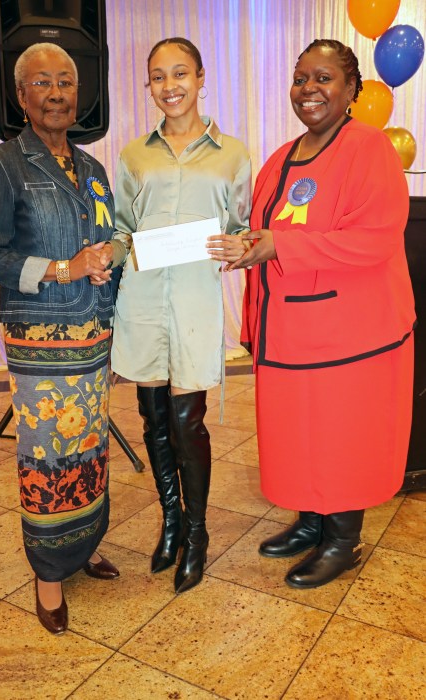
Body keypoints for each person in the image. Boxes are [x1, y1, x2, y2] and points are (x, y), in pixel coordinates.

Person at [210, 39, 415, 589]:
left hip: (348, 333)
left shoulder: (369, 149)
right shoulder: (280, 158)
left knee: (340, 434)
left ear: (351, 90)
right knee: (299, 433)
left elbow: (373, 240)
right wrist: (248, 255)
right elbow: (267, 235)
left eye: (324, 78)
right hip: (288, 332)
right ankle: (310, 521)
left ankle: (343, 540)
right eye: (302, 78)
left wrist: (277, 246)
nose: (309, 90)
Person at [0, 43, 126, 634]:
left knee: (89, 448)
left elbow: (107, 240)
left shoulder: (92, 170)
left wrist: (112, 257)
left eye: (67, 81)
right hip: (40, 339)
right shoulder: (3, 164)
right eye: (43, 82)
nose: (58, 92)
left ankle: (81, 549)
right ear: (21, 96)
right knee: (47, 454)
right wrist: (63, 267)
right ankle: (48, 573)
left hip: (93, 333)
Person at [111, 37, 251, 594]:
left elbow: (241, 227)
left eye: (180, 74)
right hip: (143, 304)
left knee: (188, 422)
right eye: (157, 77)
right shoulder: (132, 156)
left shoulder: (233, 154)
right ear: (148, 85)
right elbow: (122, 229)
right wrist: (108, 255)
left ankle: (197, 534)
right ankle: (169, 521)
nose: (169, 86)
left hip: (193, 306)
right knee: (152, 418)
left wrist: (239, 245)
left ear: (200, 78)